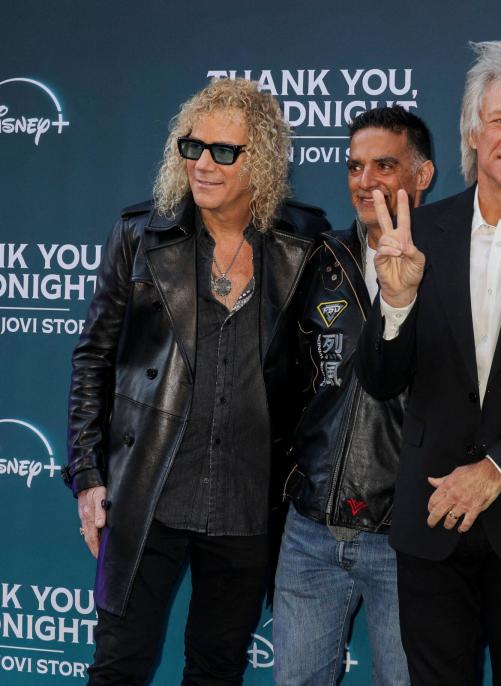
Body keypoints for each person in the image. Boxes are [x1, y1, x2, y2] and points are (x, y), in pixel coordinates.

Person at [272, 105, 501, 685]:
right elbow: (383, 379)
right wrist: (396, 304)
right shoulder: (423, 234)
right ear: (472, 133)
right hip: (430, 519)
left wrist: (495, 470)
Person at [62, 77, 330, 685]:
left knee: (217, 669)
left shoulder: (304, 241)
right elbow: (93, 360)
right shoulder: (139, 236)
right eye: (192, 147)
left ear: (259, 160)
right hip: (148, 490)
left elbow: (322, 369)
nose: (203, 164)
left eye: (223, 151)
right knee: (118, 665)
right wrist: (86, 475)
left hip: (247, 503)